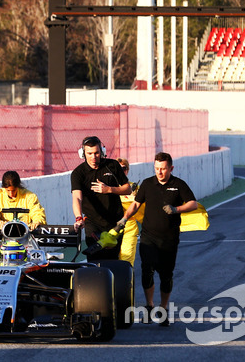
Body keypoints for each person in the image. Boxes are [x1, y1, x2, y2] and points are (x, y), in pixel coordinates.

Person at [120, 152, 197, 326]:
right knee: (147, 272)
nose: (159, 172)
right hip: (148, 237)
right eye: (156, 168)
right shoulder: (147, 184)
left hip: (169, 239)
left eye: (163, 169)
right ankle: (149, 306)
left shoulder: (179, 185)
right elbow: (135, 204)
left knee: (166, 275)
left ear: (171, 168)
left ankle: (163, 309)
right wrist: (124, 219)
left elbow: (193, 203)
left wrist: (176, 209)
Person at [71, 136, 131, 261]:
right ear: (83, 154)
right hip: (93, 223)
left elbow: (128, 189)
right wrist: (78, 218)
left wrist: (109, 189)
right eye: (90, 153)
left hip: (115, 223)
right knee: (95, 258)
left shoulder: (113, 165)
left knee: (112, 259)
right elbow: (77, 197)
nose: (93, 157)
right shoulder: (78, 173)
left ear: (102, 151)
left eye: (97, 153)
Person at [117, 158, 145, 266]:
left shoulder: (135, 188)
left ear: (127, 170)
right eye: (118, 169)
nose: (121, 171)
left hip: (129, 228)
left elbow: (145, 207)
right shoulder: (108, 187)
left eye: (124, 168)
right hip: (110, 228)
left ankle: (127, 283)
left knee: (126, 262)